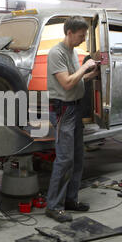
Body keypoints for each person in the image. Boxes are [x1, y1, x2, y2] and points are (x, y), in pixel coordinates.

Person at [45, 16, 100, 223]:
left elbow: (75, 79)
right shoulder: (56, 53)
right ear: (69, 33)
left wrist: (90, 74)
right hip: (63, 110)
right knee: (64, 159)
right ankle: (53, 206)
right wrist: (84, 68)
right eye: (81, 35)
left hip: (74, 109)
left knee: (77, 158)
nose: (83, 39)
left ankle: (70, 200)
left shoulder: (72, 52)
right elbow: (67, 83)